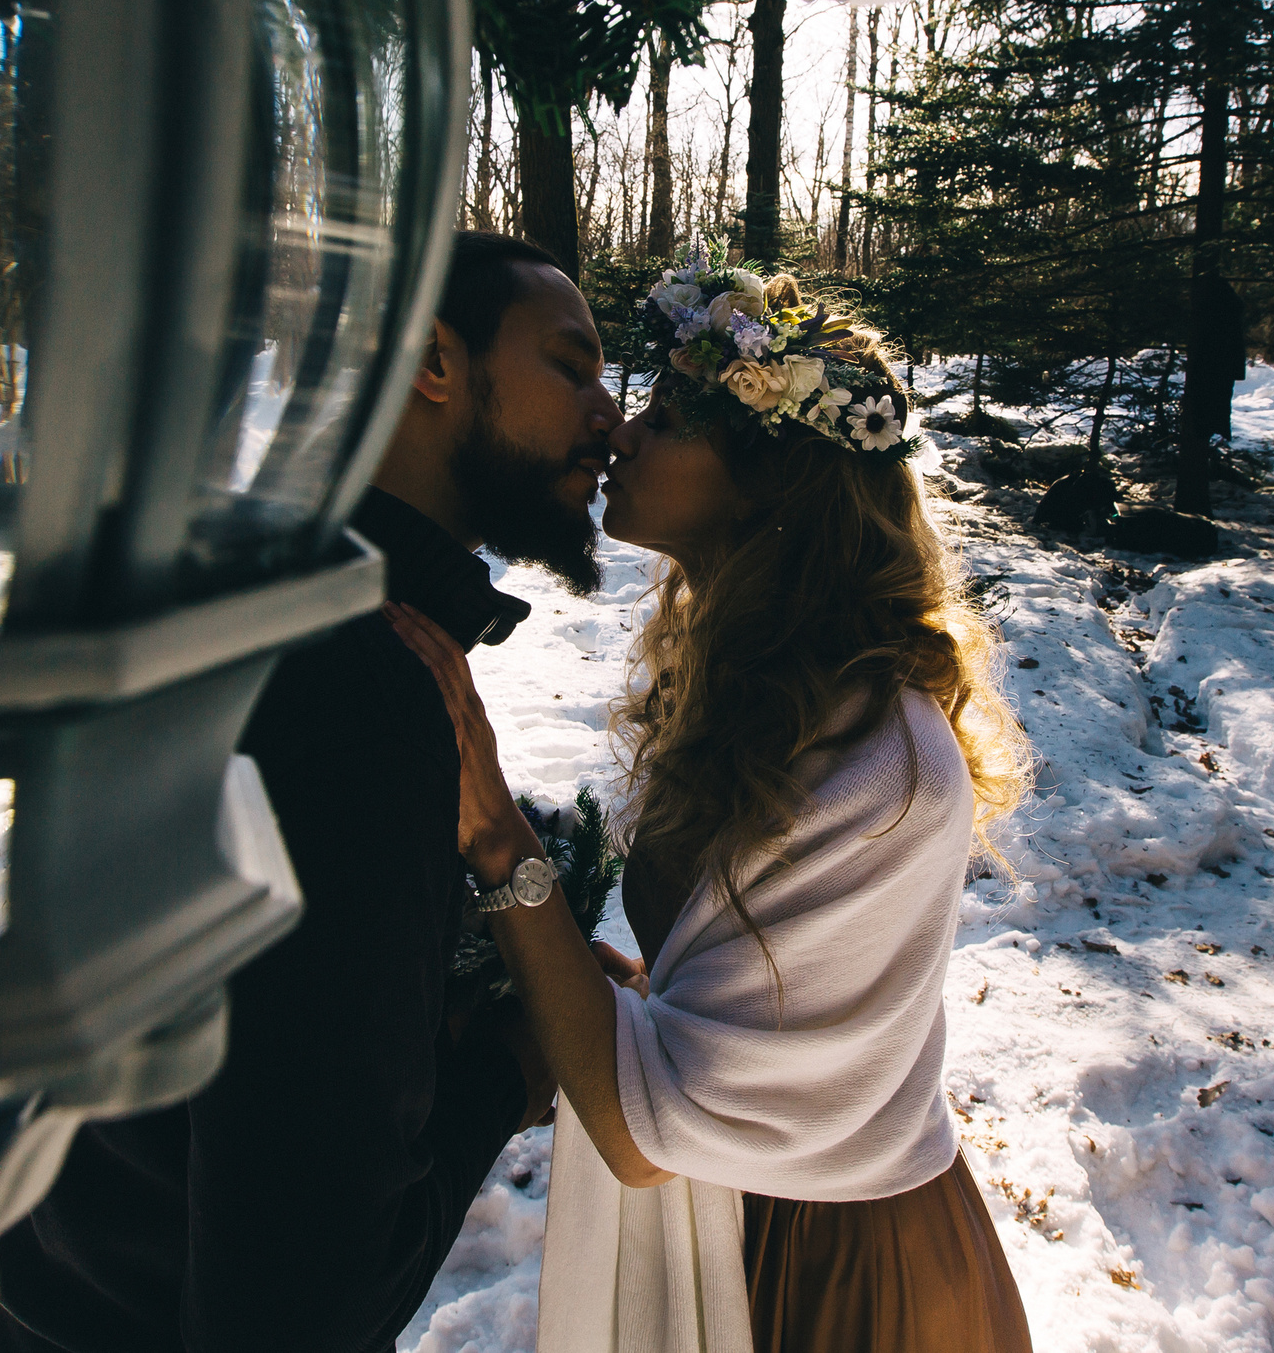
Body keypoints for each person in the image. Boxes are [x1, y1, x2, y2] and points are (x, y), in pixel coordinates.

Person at [0, 233, 623, 1353]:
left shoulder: (242, 588)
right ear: (434, 360)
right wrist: (512, 1067)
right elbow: (299, 1309)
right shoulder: (359, 691)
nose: (609, 412)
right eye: (571, 366)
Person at [390, 261, 1037, 1353]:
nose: (624, 437)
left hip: (830, 1276)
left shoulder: (878, 762)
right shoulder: (759, 689)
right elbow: (739, 990)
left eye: (669, 419)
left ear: (767, 481)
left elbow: (656, 1133)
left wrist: (497, 837)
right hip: (734, 1224)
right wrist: (621, 994)